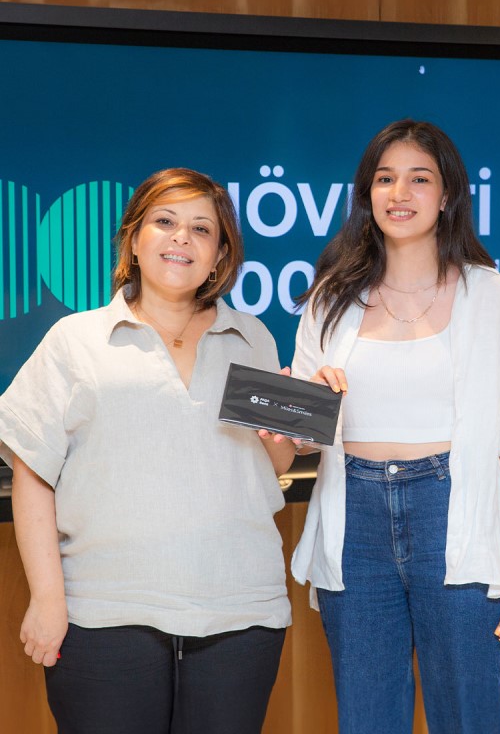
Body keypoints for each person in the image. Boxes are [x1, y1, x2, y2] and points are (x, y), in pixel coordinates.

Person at [0, 167, 295, 734]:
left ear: (220, 255)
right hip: (103, 615)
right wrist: (47, 599)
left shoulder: (252, 337)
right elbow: (32, 473)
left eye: (201, 228)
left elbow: (269, 464)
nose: (182, 237)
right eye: (164, 221)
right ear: (134, 240)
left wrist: (284, 436)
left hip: (241, 613)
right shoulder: (76, 341)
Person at [287, 119, 500, 733]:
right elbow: (301, 435)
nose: (399, 193)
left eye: (419, 179)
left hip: (454, 516)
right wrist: (306, 403)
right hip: (355, 521)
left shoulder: (490, 295)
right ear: (367, 194)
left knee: (468, 717)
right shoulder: (330, 297)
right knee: (367, 718)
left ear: (447, 194)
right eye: (385, 179)